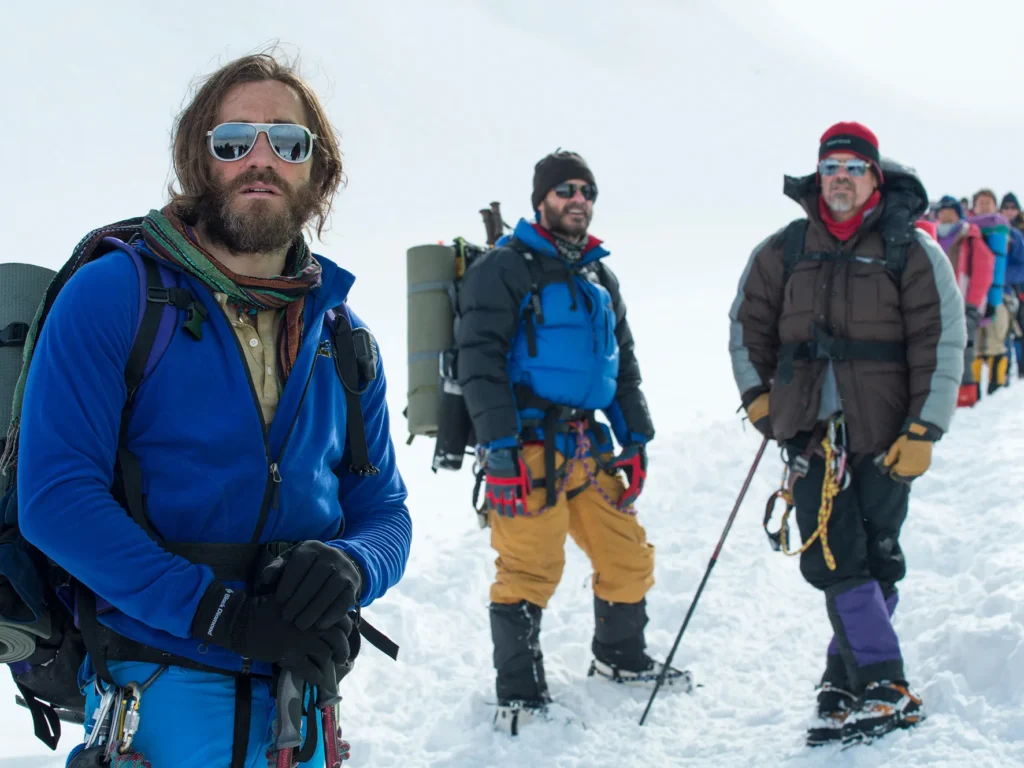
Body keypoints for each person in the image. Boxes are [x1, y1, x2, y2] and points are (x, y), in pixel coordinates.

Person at [13, 53, 412, 767]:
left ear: (319, 171)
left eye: (288, 143)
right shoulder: (114, 299)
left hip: (303, 704)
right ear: (200, 159)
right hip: (158, 697)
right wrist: (221, 616)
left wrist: (353, 566)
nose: (261, 159)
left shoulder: (343, 338)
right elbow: (57, 500)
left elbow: (385, 509)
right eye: (234, 141)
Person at [729, 122, 965, 746]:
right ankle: (885, 681)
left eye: (853, 167)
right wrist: (758, 400)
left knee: (876, 554)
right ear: (818, 175)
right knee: (833, 554)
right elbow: (746, 325)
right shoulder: (783, 249)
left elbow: (941, 342)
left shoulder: (912, 251)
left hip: (888, 434)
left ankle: (843, 679)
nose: (840, 177)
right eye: (830, 166)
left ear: (874, 177)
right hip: (811, 433)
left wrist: (925, 428)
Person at [454, 149, 686, 735]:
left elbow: (622, 364)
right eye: (565, 190)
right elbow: (478, 362)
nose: (577, 199)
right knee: (530, 567)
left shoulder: (599, 274)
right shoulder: (503, 268)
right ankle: (521, 693)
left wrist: (636, 439)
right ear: (541, 201)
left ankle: (620, 658)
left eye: (586, 190)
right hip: (528, 447)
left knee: (627, 556)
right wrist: (499, 448)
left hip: (589, 445)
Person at [932, 195, 995, 406]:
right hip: (936, 305)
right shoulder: (931, 236)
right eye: (943, 213)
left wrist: (973, 305)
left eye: (951, 213)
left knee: (963, 351)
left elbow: (983, 274)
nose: (946, 217)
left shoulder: (971, 238)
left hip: (964, 304)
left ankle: (966, 396)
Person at [968, 190, 1013, 392]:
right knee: (975, 345)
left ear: (995, 206)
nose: (984, 206)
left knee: (996, 342)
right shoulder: (967, 232)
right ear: (974, 207)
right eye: (980, 203)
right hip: (973, 295)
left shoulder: (1010, 234)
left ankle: (997, 388)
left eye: (988, 203)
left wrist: (1002, 273)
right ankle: (974, 391)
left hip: (1001, 295)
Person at [999, 192, 1024, 376]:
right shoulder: (996, 229)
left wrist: (1003, 275)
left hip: (1017, 288)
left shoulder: (1018, 232)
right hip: (1002, 288)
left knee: (1019, 329)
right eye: (1006, 208)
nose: (1009, 211)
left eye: (1012, 208)